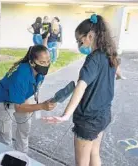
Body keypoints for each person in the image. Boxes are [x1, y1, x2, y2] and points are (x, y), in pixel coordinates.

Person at [44, 14, 119, 166]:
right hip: (103, 115)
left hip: (88, 119)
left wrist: (65, 115)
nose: (80, 44)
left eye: (80, 40)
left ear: (90, 35)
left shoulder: (93, 59)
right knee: (94, 153)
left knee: (82, 163)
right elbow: (117, 71)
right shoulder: (110, 53)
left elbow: (81, 86)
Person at [0, 44, 57, 153]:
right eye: (42, 62)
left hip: (19, 97)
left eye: (48, 61)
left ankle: (22, 155)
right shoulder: (21, 75)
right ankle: (3, 156)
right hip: (2, 100)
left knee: (25, 128)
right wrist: (41, 106)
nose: (46, 65)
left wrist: (34, 104)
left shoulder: (39, 72)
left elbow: (26, 92)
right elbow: (19, 108)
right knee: (5, 135)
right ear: (32, 62)